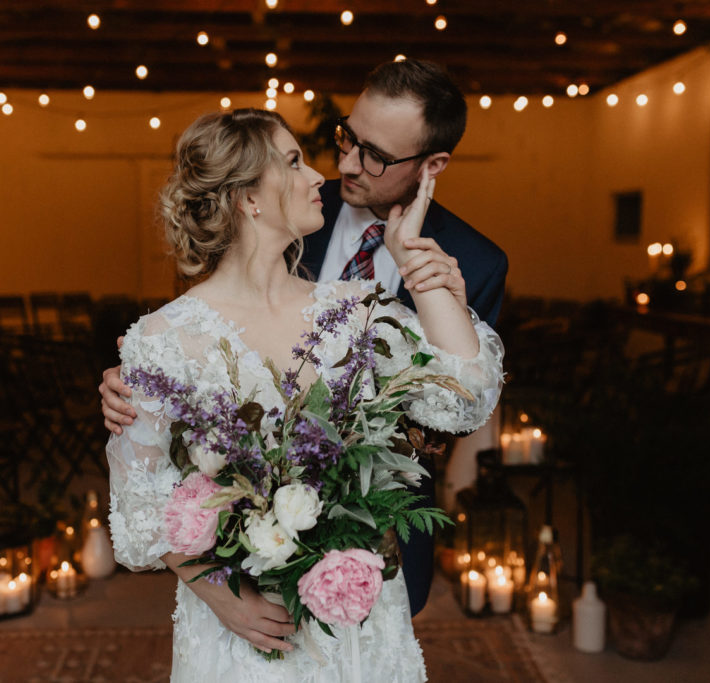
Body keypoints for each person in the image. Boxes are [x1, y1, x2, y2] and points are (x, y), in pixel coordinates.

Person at [106, 108, 503, 681]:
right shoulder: (163, 340)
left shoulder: (354, 312)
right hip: (245, 632)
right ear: (248, 199)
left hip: (357, 620)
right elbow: (141, 511)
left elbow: (465, 396)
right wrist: (222, 596)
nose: (320, 175)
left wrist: (413, 257)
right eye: (294, 162)